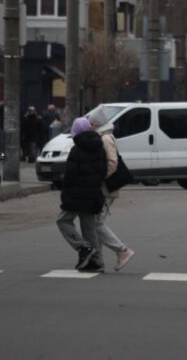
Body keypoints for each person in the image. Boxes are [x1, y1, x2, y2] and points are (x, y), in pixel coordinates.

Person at [78, 111, 135, 273]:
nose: (89, 126)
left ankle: (122, 250)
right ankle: (98, 261)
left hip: (106, 187)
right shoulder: (105, 136)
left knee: (96, 223)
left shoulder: (105, 138)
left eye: (91, 123)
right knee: (97, 223)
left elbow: (112, 162)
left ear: (96, 124)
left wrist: (100, 179)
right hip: (105, 186)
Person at [55, 117, 103, 271]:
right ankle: (96, 262)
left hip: (76, 194)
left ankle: (83, 247)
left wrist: (65, 191)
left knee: (63, 220)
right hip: (94, 192)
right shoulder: (99, 146)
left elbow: (71, 174)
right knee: (89, 227)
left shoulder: (77, 150)